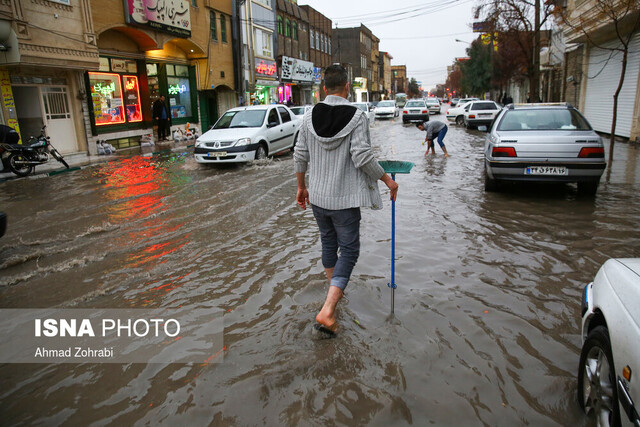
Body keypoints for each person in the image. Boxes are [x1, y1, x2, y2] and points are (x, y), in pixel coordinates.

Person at [294, 64, 398, 337]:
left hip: (317, 196)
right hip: (344, 200)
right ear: (347, 87)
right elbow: (362, 157)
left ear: (324, 88)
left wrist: (301, 187)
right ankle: (328, 309)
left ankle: (332, 296)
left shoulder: (308, 116)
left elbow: (299, 155)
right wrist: (387, 180)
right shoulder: (357, 117)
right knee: (349, 251)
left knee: (329, 244)